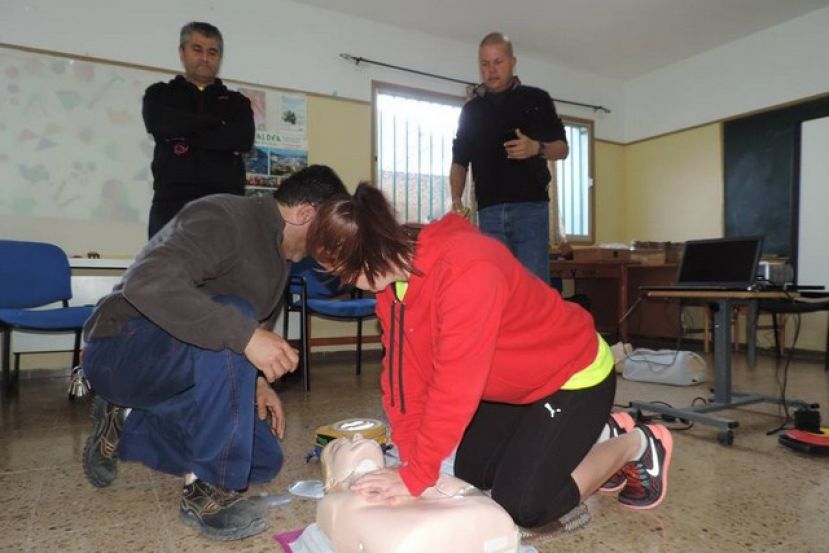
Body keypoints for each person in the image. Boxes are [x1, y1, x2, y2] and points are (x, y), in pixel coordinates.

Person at [305, 183, 674, 530]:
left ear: (366, 254)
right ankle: (597, 432)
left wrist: (416, 476)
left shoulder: (467, 267)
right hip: (516, 386)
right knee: (471, 475)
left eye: (341, 272)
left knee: (524, 506)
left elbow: (455, 386)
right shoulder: (392, 287)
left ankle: (636, 444)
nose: (344, 283)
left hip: (573, 374)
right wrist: (408, 461)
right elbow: (404, 380)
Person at [81, 165, 348, 541]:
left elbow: (234, 338)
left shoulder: (279, 262)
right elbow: (146, 283)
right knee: (234, 316)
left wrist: (254, 381)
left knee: (262, 461)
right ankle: (206, 492)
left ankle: (126, 421)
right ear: (306, 213)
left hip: (178, 367)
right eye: (331, 227)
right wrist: (246, 337)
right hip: (121, 352)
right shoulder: (223, 216)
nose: (335, 241)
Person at [450, 32, 569, 284]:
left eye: (498, 62)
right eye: (485, 64)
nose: (491, 70)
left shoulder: (537, 99)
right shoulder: (471, 110)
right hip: (488, 213)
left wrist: (537, 148)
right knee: (495, 287)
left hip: (531, 210)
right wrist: (456, 200)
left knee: (533, 288)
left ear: (513, 62)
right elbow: (459, 161)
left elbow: (562, 149)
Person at [143, 21, 255, 238]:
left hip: (226, 205)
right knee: (166, 261)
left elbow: (243, 139)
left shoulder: (237, 102)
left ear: (219, 57)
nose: (205, 58)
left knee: (225, 261)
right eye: (197, 49)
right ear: (182, 52)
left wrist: (185, 132)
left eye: (212, 52)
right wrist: (217, 124)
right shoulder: (160, 94)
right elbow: (160, 124)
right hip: (171, 205)